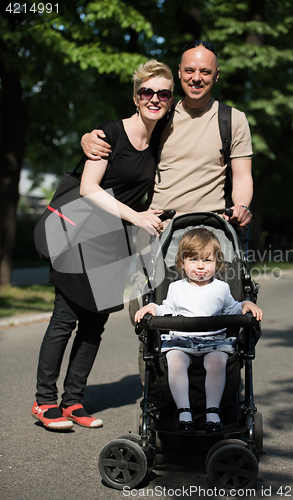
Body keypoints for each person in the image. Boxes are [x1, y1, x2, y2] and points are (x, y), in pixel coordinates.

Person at [31, 60, 174, 431]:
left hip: (114, 241)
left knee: (95, 325)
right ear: (136, 96)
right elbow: (88, 189)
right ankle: (44, 401)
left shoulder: (158, 138)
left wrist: (144, 212)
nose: (154, 99)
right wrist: (138, 217)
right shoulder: (110, 132)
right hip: (80, 233)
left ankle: (73, 401)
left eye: (162, 93)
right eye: (147, 92)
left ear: (170, 99)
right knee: (64, 319)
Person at [81, 41, 253, 227]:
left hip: (209, 231)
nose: (196, 78)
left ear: (216, 75)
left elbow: (242, 176)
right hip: (158, 229)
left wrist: (241, 205)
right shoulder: (161, 114)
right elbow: (126, 133)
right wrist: (86, 138)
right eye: (189, 70)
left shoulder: (232, 119)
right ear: (179, 72)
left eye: (205, 71)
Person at [134, 228, 263, 432]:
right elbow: (167, 309)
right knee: (175, 359)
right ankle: (183, 410)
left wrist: (245, 304)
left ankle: (213, 410)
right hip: (181, 341)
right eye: (193, 259)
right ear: (182, 262)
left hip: (214, 342)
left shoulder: (221, 288)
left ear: (217, 264)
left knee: (218, 361)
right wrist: (153, 308)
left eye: (207, 260)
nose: (200, 266)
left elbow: (231, 308)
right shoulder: (176, 287)